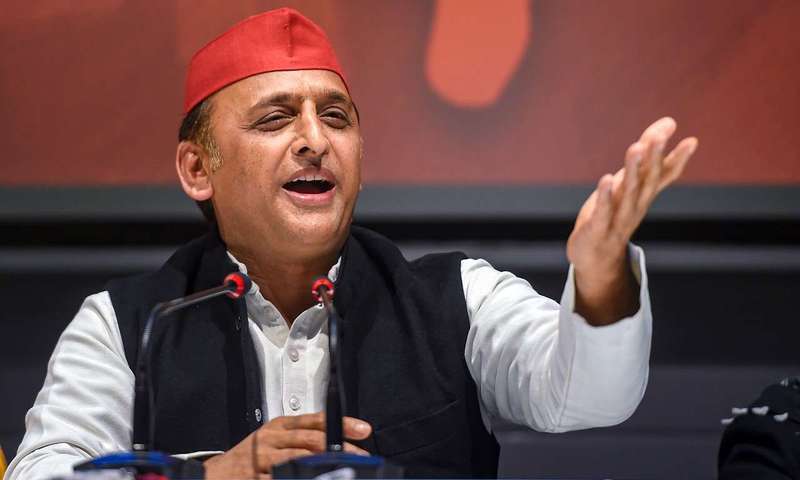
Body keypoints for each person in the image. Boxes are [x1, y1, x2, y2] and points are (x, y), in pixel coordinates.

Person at [6, 7, 698, 480]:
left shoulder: (457, 299)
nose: (315, 138)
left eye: (335, 116)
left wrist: (602, 272)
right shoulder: (129, 324)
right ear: (197, 169)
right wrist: (208, 476)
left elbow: (588, 395)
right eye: (275, 119)